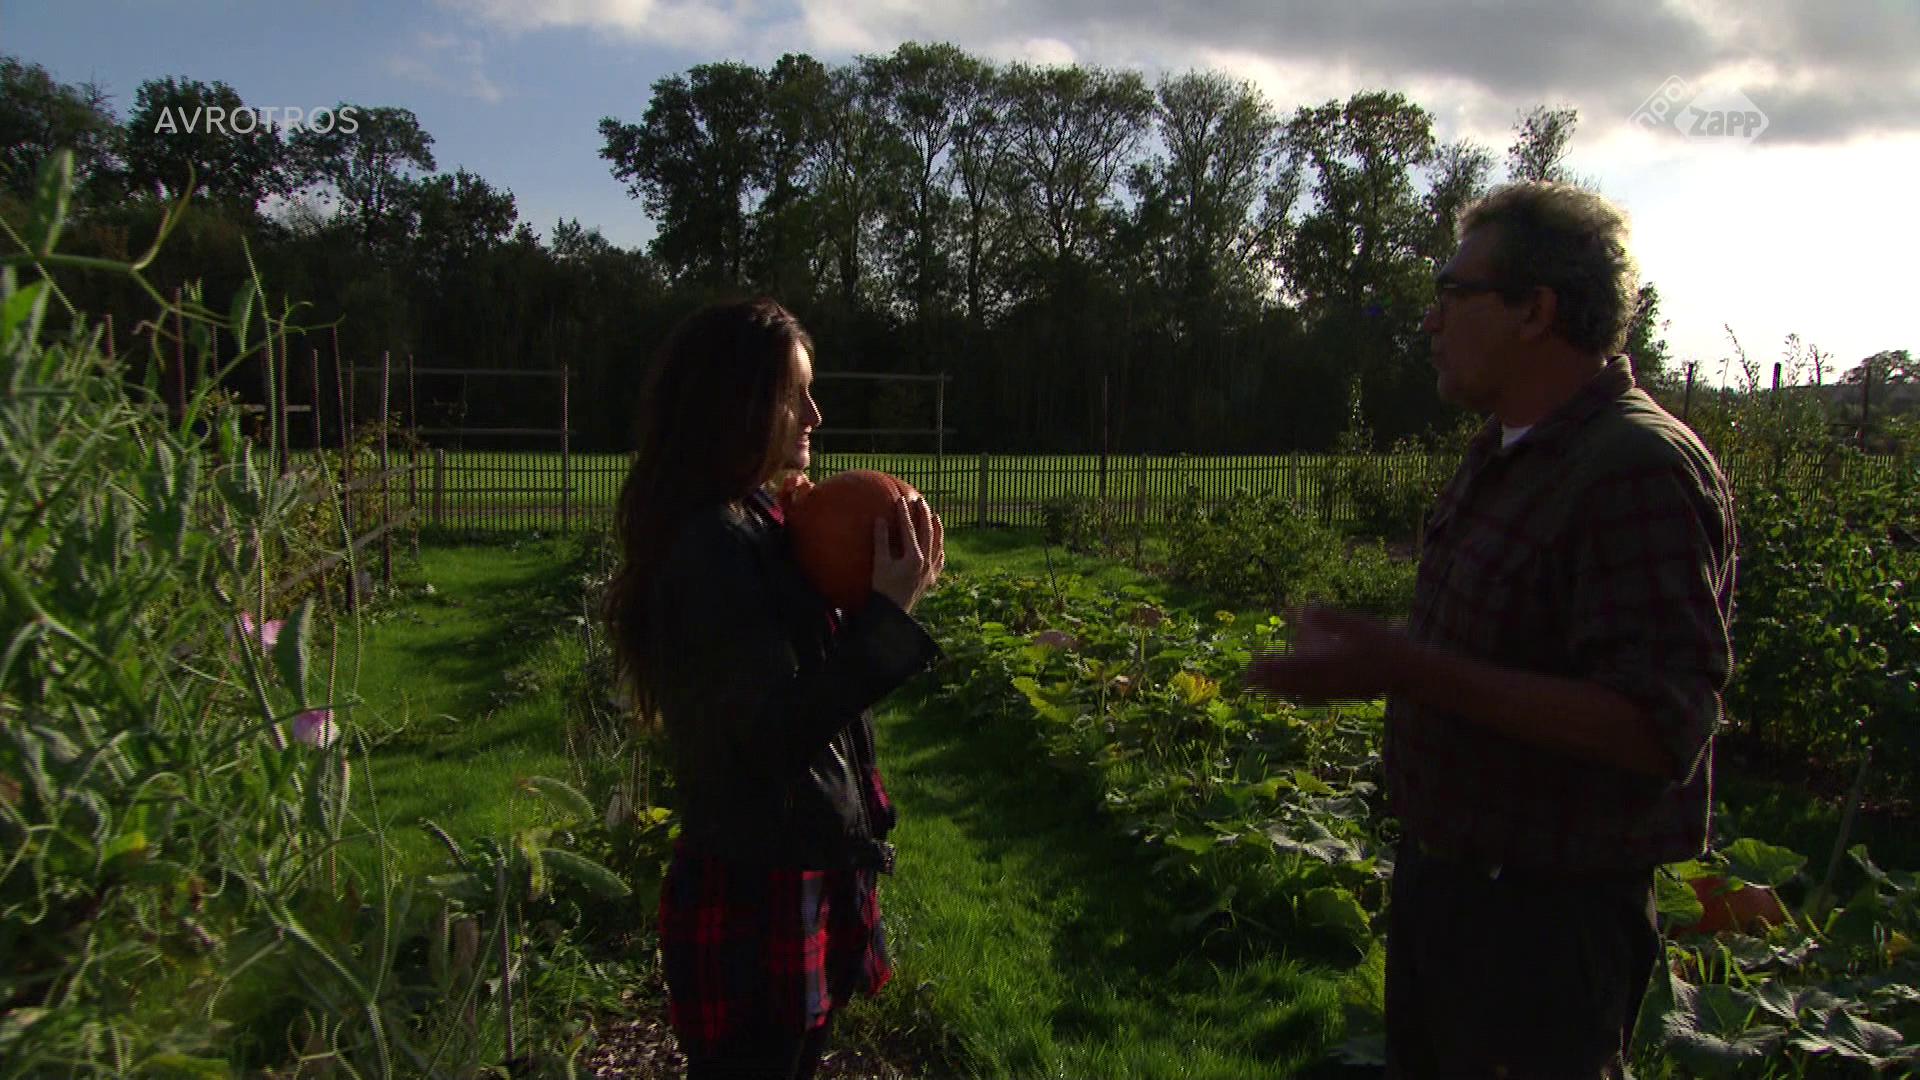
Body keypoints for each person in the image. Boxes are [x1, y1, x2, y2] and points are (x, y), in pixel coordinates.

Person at [1246, 182, 1736, 1078]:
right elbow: (1494, 644)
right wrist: (1383, 660)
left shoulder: (1635, 467)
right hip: (1450, 894)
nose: (1430, 321)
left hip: (1543, 932)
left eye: (1452, 293)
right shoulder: (1507, 451)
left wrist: (1408, 669)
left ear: (1534, 312)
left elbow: (1658, 726)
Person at [602, 297, 944, 1079]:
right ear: (741, 404)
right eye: (798, 394)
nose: (815, 415)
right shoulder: (711, 547)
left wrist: (835, 566)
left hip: (787, 875)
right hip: (755, 901)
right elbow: (769, 734)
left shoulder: (753, 520)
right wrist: (886, 620)